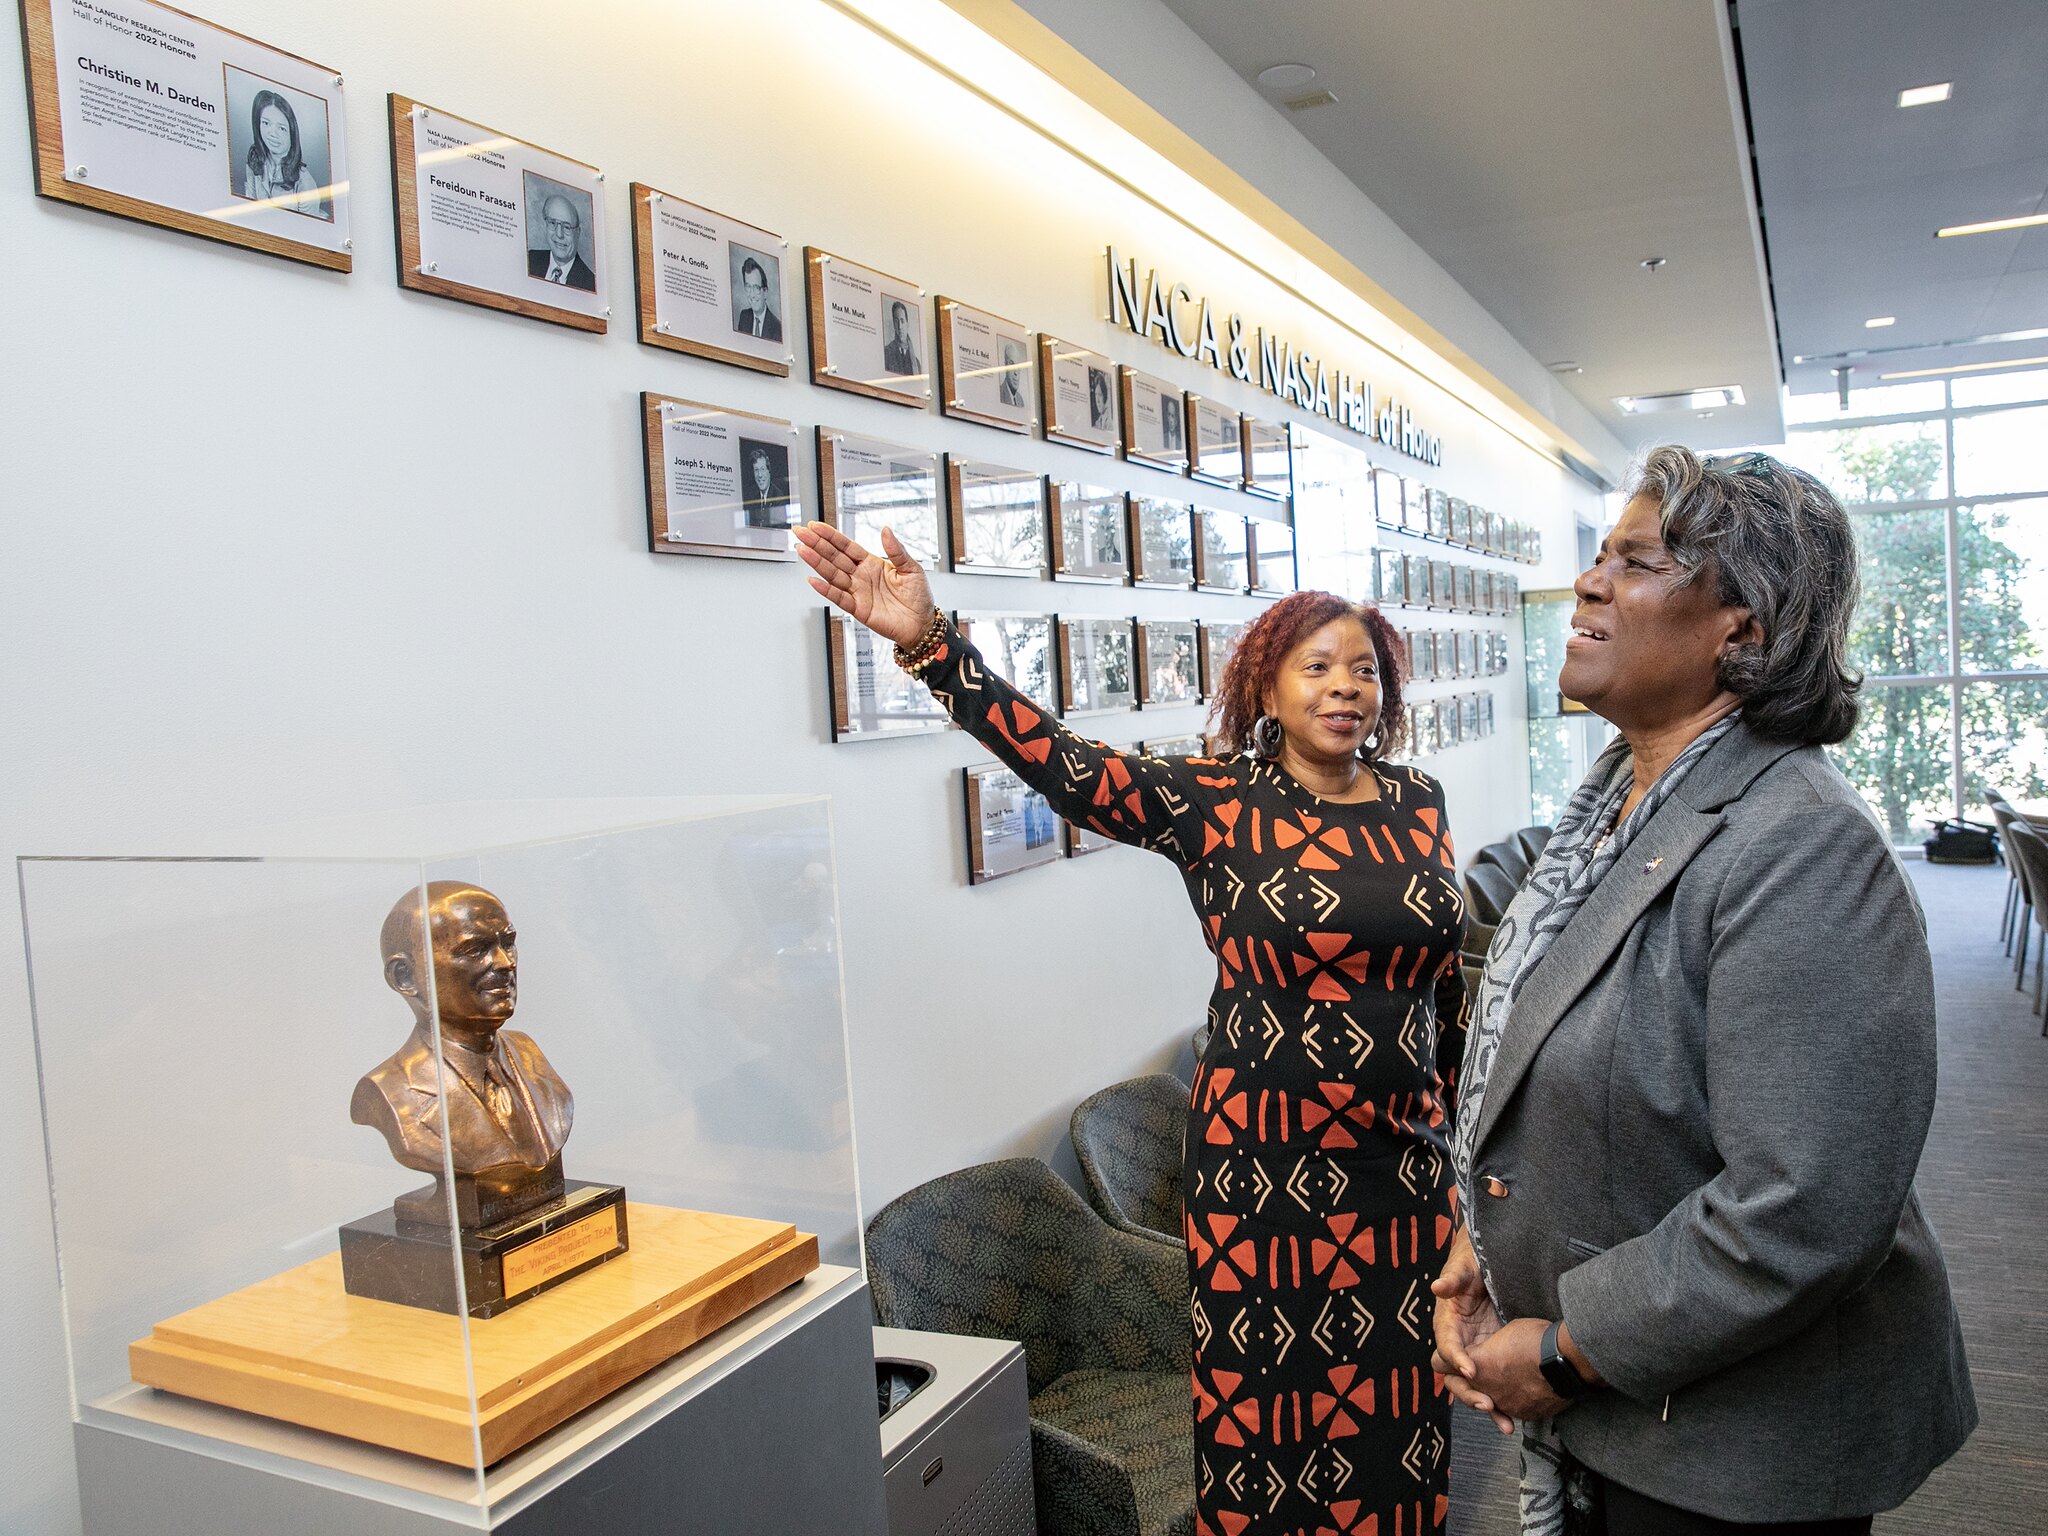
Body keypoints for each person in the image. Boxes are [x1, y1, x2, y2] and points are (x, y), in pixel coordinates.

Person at [797, 521, 1468, 1536]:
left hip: (1399, 1173)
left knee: (1394, 1429)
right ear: (1267, 689)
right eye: (1316, 666)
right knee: (1270, 1435)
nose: (1343, 687)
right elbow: (1061, 764)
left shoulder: (1419, 801)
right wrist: (932, 641)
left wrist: (1463, 1164)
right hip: (1265, 1179)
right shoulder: (1218, 805)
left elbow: (1442, 996)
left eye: (1363, 670)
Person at [1432, 447, 1975, 1535]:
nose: (1587, 584)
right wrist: (1486, 1240)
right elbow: (1569, 1077)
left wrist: (1564, 1348)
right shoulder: (1607, 821)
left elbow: (1801, 1207)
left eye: (1636, 562)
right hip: (1626, 1422)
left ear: (1745, 629)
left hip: (1734, 1456)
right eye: (1597, 556)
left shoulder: (1800, 845)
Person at [351, 882, 574, 1227]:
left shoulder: (529, 1055)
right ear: (405, 976)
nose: (504, 963)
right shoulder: (390, 1091)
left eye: (508, 943)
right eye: (474, 949)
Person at [241, 89, 323, 216]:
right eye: (266, 123)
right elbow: (248, 210)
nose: (272, 133)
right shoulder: (254, 160)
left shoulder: (305, 183)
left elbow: (308, 229)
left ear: (292, 133)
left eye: (282, 128)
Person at [528, 192, 596, 291]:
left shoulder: (590, 284)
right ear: (545, 225)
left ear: (578, 232)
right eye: (552, 223)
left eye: (567, 227)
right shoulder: (530, 259)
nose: (559, 234)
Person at [733, 253, 781, 341]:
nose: (752, 294)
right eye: (748, 287)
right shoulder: (744, 317)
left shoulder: (777, 328)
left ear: (765, 291)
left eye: (756, 288)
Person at [883, 300, 919, 375]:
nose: (899, 326)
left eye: (902, 321)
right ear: (893, 324)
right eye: (896, 321)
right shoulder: (886, 353)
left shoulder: (917, 363)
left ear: (907, 324)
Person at [997, 340, 1025, 408]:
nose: (1016, 372)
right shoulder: (999, 394)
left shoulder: (1020, 400)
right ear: (1005, 365)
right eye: (1012, 364)